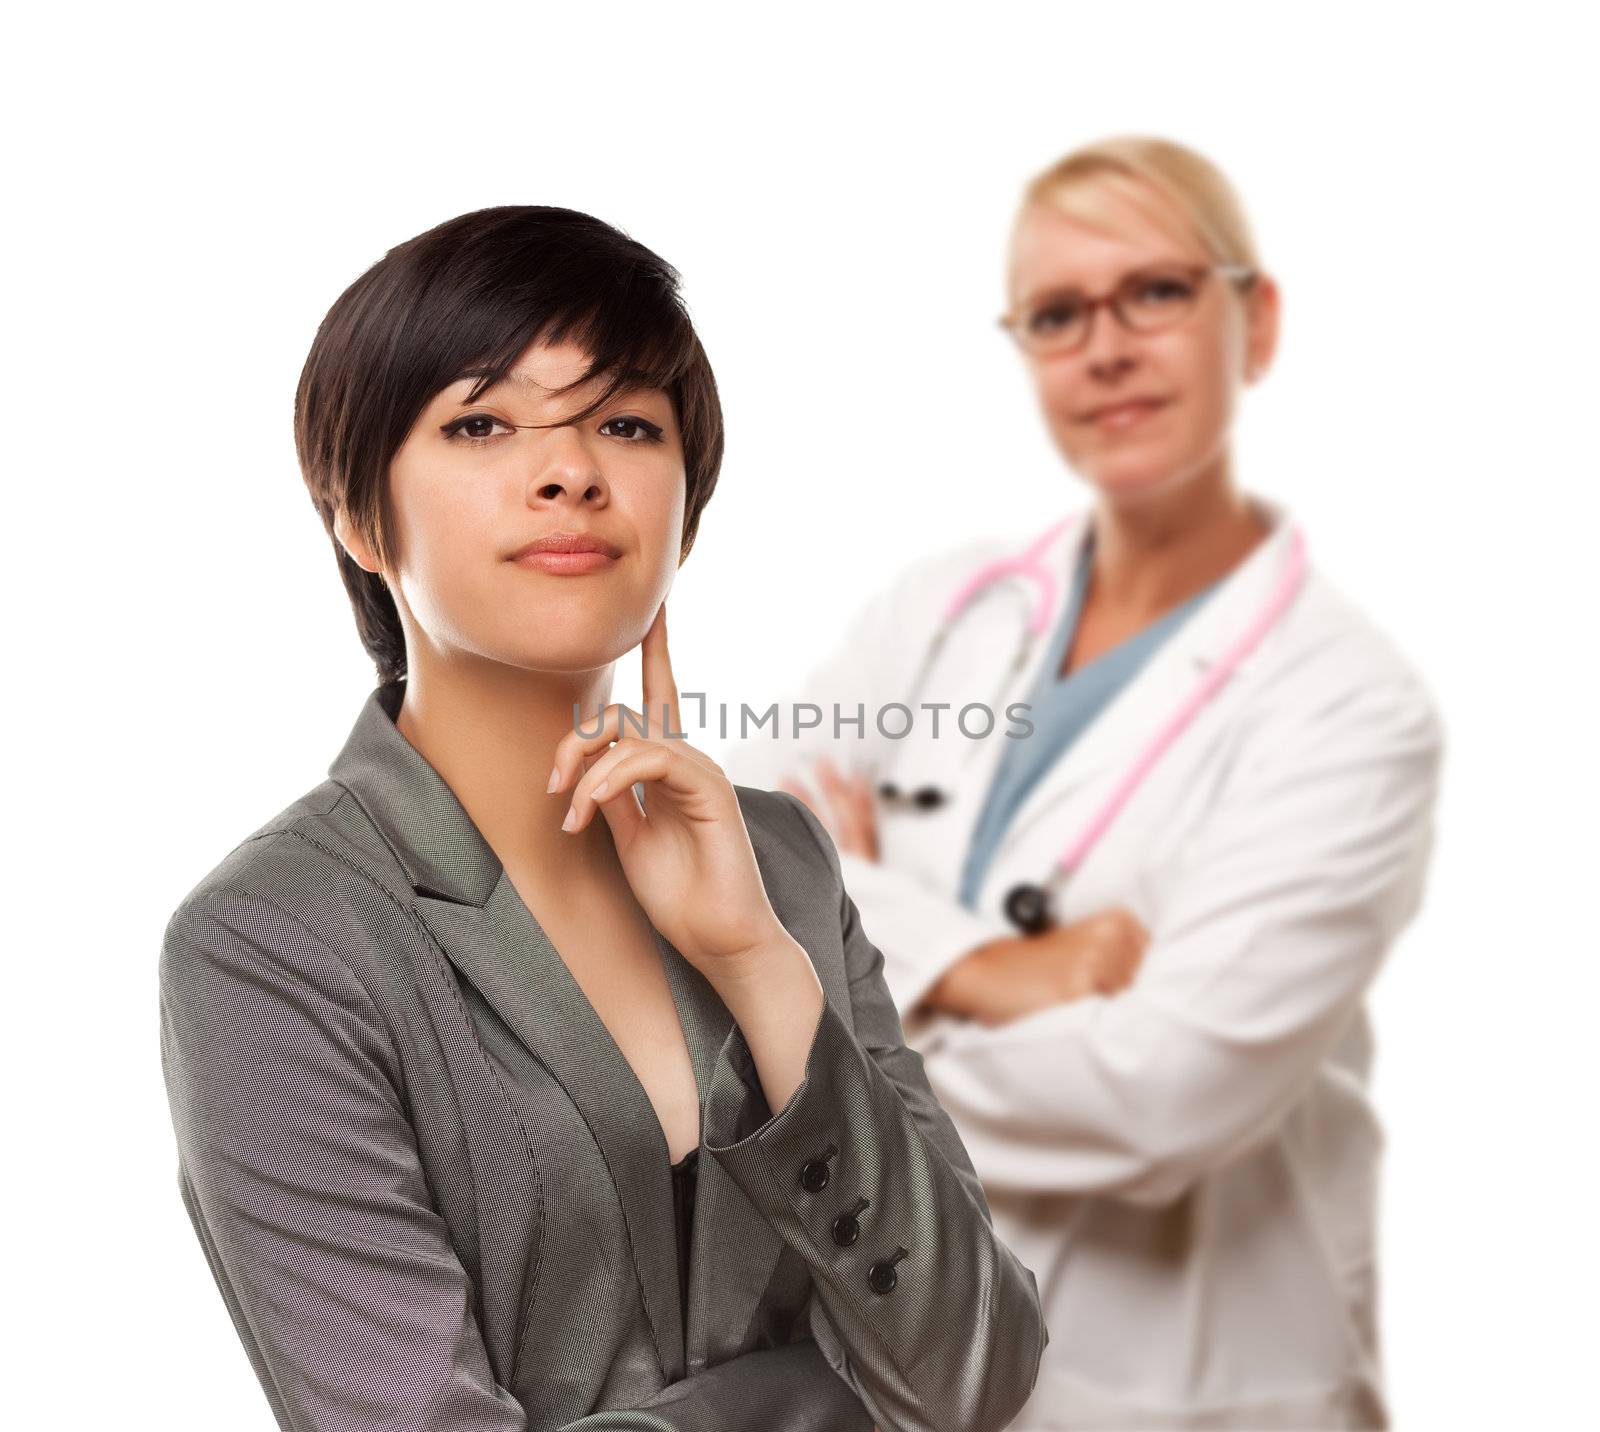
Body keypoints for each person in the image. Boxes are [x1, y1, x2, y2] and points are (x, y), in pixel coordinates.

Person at [156, 205, 1047, 1432]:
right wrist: (802, 1402)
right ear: (360, 520)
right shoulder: (274, 940)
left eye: (625, 423)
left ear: (685, 506)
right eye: (480, 423)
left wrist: (753, 960)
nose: (571, 470)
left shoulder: (775, 861)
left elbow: (976, 1374)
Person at [722, 137, 1445, 1429]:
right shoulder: (946, 609)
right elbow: (739, 844)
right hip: (895, 1361)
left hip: (1179, 1386)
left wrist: (826, 1008)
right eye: (1057, 315)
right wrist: (990, 973)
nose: (1104, 347)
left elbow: (1160, 1098)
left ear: (1256, 320)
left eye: (1155, 292)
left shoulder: (1348, 705)